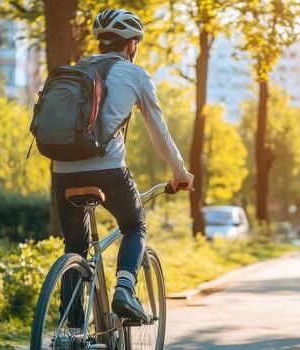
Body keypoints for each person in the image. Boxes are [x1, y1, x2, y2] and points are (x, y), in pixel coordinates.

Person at [51, 8, 194, 325]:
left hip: (61, 171)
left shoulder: (76, 71)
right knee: (134, 225)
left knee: (73, 247)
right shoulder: (135, 75)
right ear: (131, 44)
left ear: (101, 43)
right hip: (108, 172)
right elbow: (160, 133)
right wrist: (179, 172)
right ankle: (125, 289)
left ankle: (71, 331)